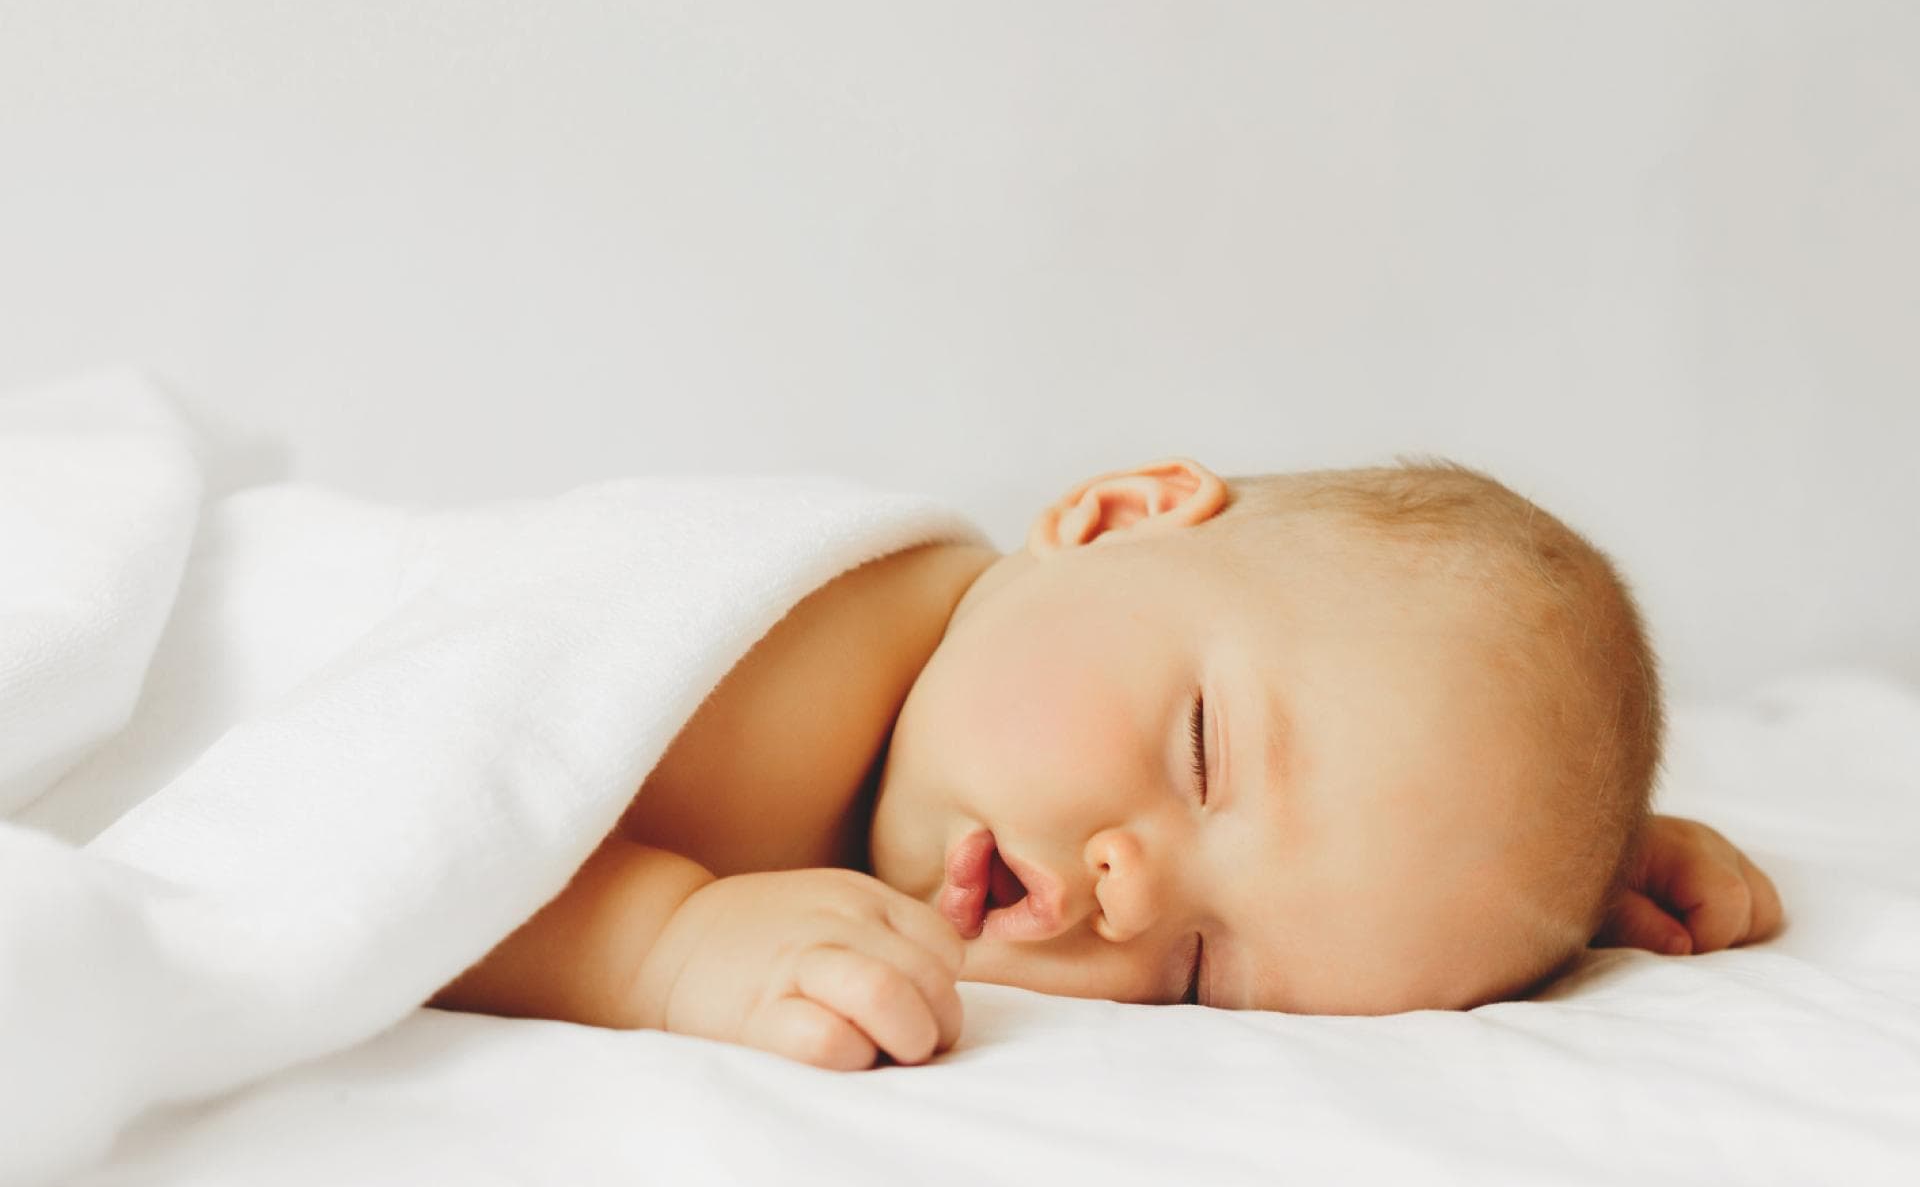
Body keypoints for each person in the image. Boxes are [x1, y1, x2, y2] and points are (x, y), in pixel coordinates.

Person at [431, 458, 1783, 1069]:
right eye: (1201, 753)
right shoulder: (770, 671)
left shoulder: (985, 719)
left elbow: (1368, 834)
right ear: (1118, 517)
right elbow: (422, 836)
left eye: (1201, 966)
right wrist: (664, 944)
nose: (1131, 900)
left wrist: (1550, 862)